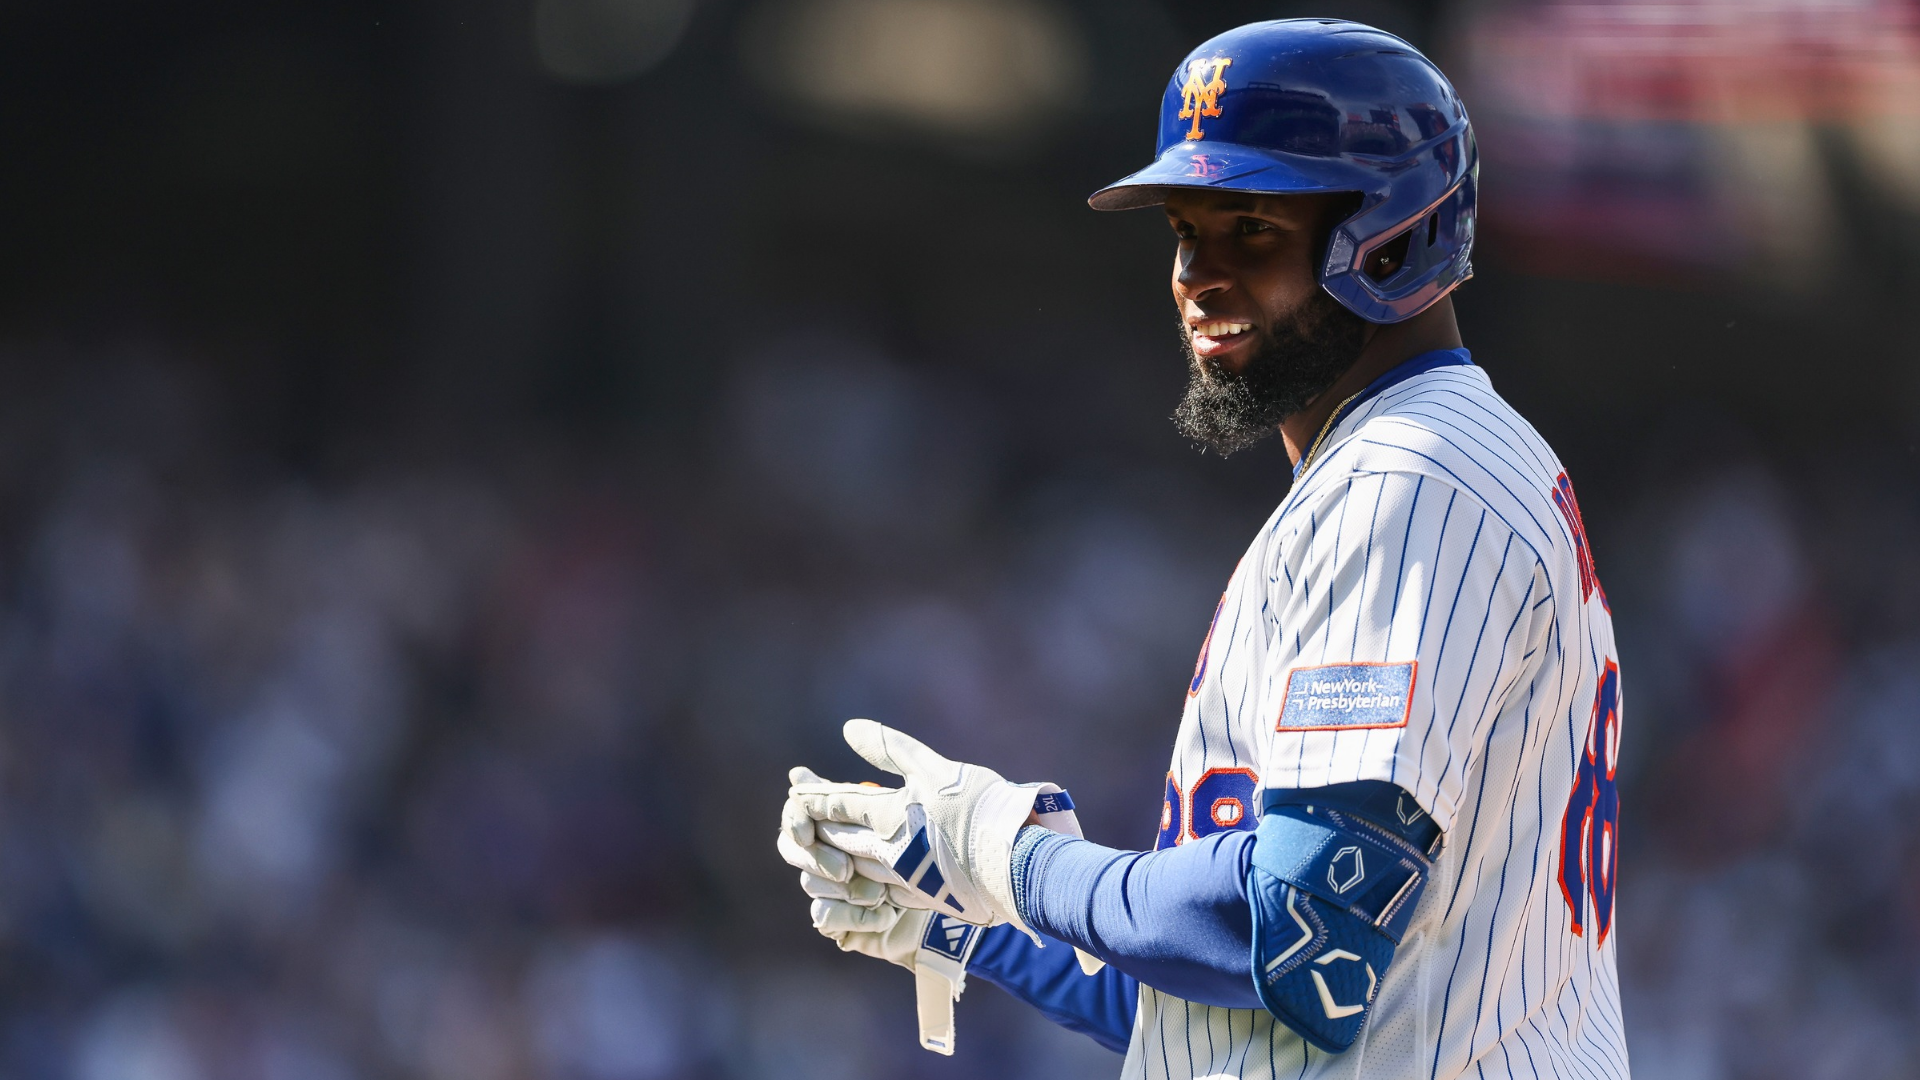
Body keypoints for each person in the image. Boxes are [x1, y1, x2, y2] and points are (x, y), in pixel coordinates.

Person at [776, 19, 1629, 1079]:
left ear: (1395, 234)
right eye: (1186, 231)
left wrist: (1008, 856)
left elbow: (1305, 942)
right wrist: (969, 918)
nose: (1197, 276)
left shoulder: (1410, 480)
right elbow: (1235, 1013)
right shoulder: (1414, 468)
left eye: (1251, 231)